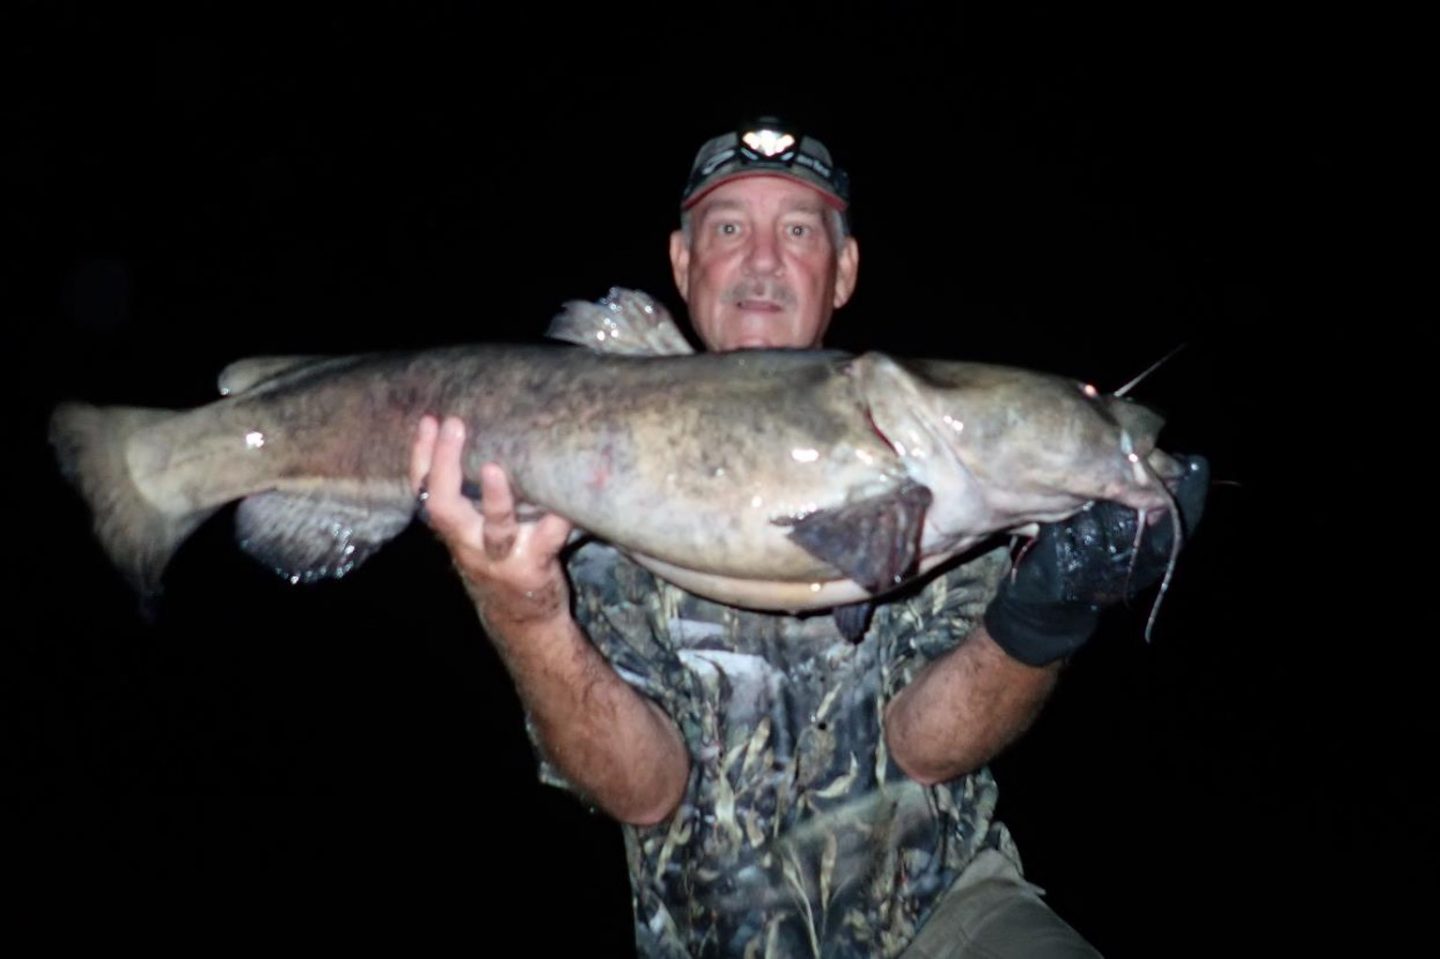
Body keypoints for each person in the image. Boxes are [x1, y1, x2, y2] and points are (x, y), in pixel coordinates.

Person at [408, 118, 1206, 957]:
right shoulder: (591, 490)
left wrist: (1045, 613)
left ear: (844, 271)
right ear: (682, 265)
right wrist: (527, 615)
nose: (761, 260)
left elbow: (928, 746)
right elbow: (643, 790)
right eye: (728, 229)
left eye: (797, 230)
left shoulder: (941, 472)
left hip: (944, 915)